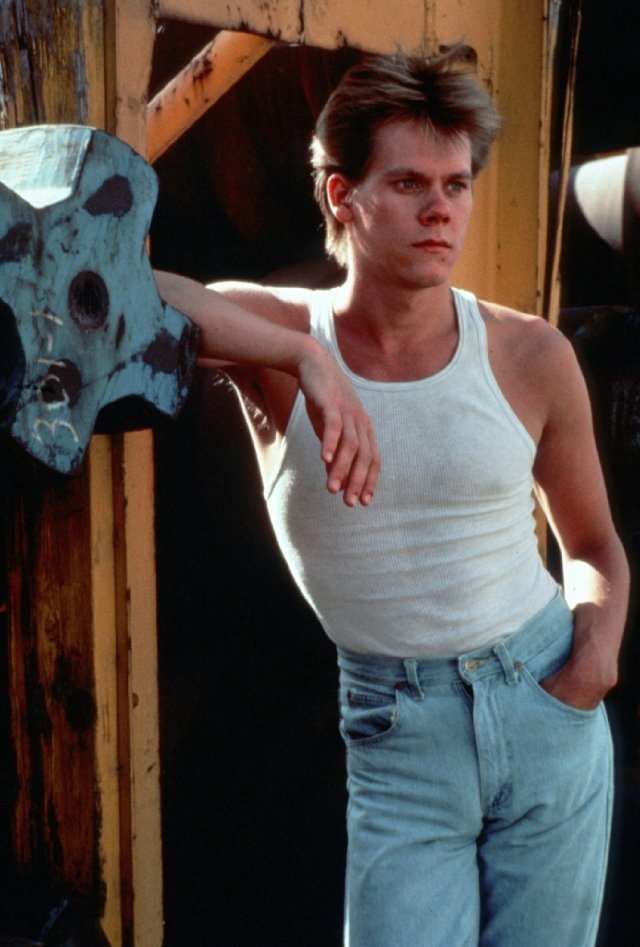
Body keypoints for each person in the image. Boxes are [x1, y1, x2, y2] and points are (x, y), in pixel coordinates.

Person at [154, 44, 629, 947]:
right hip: (397, 728)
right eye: (409, 183)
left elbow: (595, 547)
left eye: (456, 183)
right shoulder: (284, 338)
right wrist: (303, 360)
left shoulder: (530, 355)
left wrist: (590, 665)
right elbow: (141, 290)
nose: (441, 208)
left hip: (545, 699)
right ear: (343, 197)